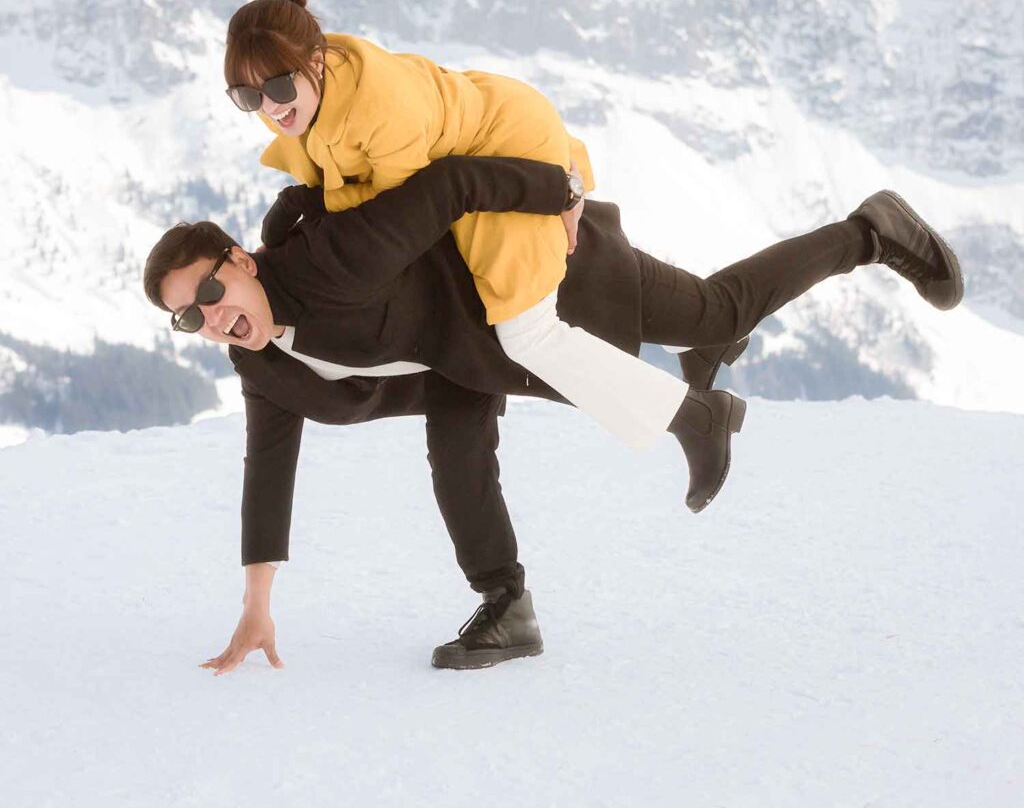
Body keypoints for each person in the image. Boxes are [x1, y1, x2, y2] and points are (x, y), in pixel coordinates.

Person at [143, 156, 963, 673]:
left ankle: (870, 230)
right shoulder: (260, 363)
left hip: (540, 277)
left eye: (210, 291)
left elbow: (447, 181)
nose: (210, 316)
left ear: (240, 261)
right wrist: (257, 603)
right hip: (465, 359)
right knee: (457, 461)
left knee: (715, 308)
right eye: (190, 317)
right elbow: (268, 470)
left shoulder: (329, 257)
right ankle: (510, 608)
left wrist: (557, 190)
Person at [222, 0, 712, 461]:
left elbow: (398, 217)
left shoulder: (379, 110)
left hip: (503, 145)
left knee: (527, 334)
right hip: (474, 147)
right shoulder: (320, 88)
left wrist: (559, 186)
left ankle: (697, 418)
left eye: (279, 86)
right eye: (247, 97)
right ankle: (704, 333)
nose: (269, 108)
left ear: (315, 59)